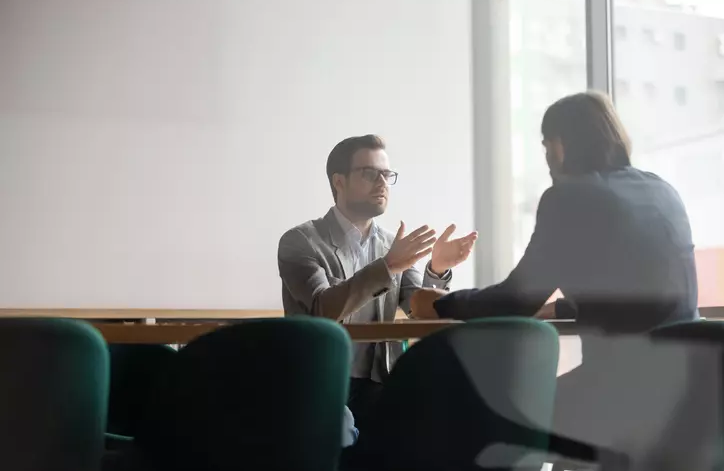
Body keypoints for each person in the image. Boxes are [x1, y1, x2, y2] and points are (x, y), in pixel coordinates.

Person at [410, 91, 698, 353]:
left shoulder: (569, 198)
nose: (547, 159)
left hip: (630, 384)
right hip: (696, 379)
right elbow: (637, 284)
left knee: (503, 405)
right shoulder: (662, 189)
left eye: (547, 147)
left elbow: (515, 301)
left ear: (562, 145)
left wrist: (440, 303)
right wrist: (560, 308)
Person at [278, 134, 477, 430]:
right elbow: (323, 308)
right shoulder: (300, 241)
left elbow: (417, 308)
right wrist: (388, 266)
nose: (382, 183)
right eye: (370, 173)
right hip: (319, 382)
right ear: (339, 181)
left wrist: (436, 270)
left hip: (381, 384)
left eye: (387, 174)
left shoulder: (389, 245)